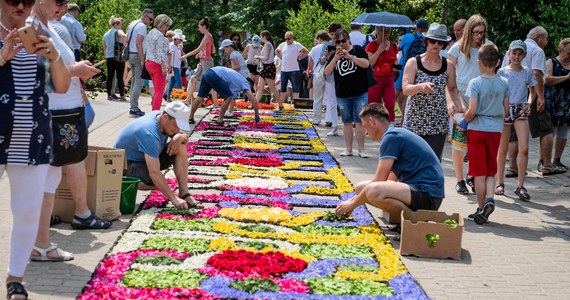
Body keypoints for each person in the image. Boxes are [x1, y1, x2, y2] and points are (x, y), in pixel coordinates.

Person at [0, 0, 70, 297]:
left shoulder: (41, 33)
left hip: (33, 137)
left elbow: (62, 86)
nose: (20, 5)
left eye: (27, 0)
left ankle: (15, 278)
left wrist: (54, 58)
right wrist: (2, 57)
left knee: (28, 212)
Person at [33, 0, 108, 264]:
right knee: (43, 180)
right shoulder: (34, 28)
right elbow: (36, 76)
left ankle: (41, 241)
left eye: (66, 3)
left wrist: (76, 72)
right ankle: (39, 243)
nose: (63, 8)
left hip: (63, 114)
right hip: (52, 116)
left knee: (49, 180)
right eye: (59, 2)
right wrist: (75, 70)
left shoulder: (48, 27)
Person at [335, 103, 444, 220]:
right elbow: (389, 181)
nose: (366, 133)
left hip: (427, 195)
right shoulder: (394, 134)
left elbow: (379, 180)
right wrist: (352, 201)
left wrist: (352, 204)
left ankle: (414, 221)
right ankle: (407, 219)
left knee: (373, 191)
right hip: (422, 193)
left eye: (365, 127)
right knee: (360, 188)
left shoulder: (391, 137)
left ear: (372, 122)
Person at [115, 102, 202, 210]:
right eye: (176, 126)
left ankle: (184, 193)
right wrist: (173, 199)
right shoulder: (148, 133)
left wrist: (180, 137)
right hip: (126, 165)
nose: (176, 130)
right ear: (165, 116)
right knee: (156, 181)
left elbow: (184, 136)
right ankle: (125, 183)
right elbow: (154, 172)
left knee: (180, 146)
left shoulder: (162, 118)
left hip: (145, 158)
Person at [502, 27, 565, 176]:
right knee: (546, 128)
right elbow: (536, 73)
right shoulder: (537, 51)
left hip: (511, 98)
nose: (546, 42)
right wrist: (540, 97)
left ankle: (512, 167)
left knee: (513, 133)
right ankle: (547, 166)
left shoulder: (511, 49)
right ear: (539, 36)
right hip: (529, 96)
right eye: (545, 38)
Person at [460, 44, 509, 225]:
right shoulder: (504, 83)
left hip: (477, 129)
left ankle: (481, 208)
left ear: (479, 63)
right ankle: (490, 198)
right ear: (497, 62)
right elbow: (505, 109)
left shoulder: (476, 83)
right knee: (490, 169)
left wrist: (464, 122)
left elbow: (472, 110)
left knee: (478, 171)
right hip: (495, 130)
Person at [402, 23, 461, 160]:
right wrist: (420, 87)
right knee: (411, 161)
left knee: (433, 162)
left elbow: (452, 88)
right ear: (427, 41)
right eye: (433, 41)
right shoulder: (414, 62)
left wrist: (459, 107)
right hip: (414, 121)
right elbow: (405, 89)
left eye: (440, 42)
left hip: (438, 122)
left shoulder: (448, 65)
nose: (436, 45)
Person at [448, 14, 492, 195]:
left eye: (482, 33)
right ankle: (459, 180)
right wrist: (452, 101)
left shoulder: (488, 47)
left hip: (481, 98)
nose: (478, 36)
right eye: (475, 32)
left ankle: (473, 176)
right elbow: (449, 80)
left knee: (477, 141)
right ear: (468, 31)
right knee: (459, 141)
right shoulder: (457, 48)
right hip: (460, 97)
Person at [495, 40, 537, 201]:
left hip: (520, 109)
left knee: (524, 147)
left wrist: (529, 103)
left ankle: (520, 185)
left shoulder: (527, 72)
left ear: (524, 55)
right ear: (509, 53)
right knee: (502, 149)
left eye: (520, 54)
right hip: (506, 108)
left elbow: (532, 91)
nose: (517, 56)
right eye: (514, 53)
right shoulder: (502, 72)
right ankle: (500, 183)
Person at [324, 29, 370, 158]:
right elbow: (326, 72)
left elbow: (366, 64)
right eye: (338, 42)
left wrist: (350, 57)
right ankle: (348, 149)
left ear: (348, 39)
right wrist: (335, 59)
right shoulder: (334, 55)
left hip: (360, 92)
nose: (341, 44)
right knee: (346, 122)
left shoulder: (357, 50)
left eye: (343, 41)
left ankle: (361, 150)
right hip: (342, 94)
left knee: (360, 121)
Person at [188, 66, 260, 125]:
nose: (248, 90)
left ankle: (190, 117)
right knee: (228, 97)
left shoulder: (237, 80)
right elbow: (254, 101)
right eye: (250, 88)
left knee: (200, 97)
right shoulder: (245, 83)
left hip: (208, 72)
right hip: (215, 74)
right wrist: (256, 115)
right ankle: (220, 120)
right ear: (249, 84)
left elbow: (231, 93)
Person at [395, 19, 428, 123]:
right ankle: (406, 120)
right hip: (420, 70)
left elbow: (398, 48)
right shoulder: (427, 39)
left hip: (404, 68)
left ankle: (396, 118)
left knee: (396, 94)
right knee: (408, 96)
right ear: (426, 28)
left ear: (416, 27)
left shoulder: (408, 37)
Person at [544, 38, 570, 170]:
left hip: (566, 104)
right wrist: (566, 77)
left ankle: (557, 159)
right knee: (549, 132)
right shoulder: (551, 62)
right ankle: (544, 161)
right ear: (560, 50)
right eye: (568, 52)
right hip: (551, 102)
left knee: (563, 132)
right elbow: (547, 79)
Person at [182, 17, 216, 107]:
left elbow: (198, 49)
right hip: (203, 61)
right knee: (193, 79)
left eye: (199, 27)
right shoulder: (207, 36)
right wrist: (201, 54)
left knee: (209, 82)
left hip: (207, 62)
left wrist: (185, 55)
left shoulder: (208, 36)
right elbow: (210, 50)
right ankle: (188, 100)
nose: (199, 29)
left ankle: (216, 103)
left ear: (204, 26)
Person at [126, 8, 154, 117]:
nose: (150, 22)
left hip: (131, 54)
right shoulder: (142, 26)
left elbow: (127, 38)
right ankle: (134, 108)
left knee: (134, 81)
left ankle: (132, 106)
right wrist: (142, 59)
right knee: (139, 82)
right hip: (137, 56)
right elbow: (139, 43)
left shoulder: (133, 23)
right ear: (145, 16)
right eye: (150, 19)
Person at [366, 25, 398, 121]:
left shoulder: (393, 46)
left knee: (390, 103)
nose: (386, 32)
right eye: (383, 30)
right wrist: (379, 50)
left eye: (388, 30)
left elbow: (395, 61)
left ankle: (389, 125)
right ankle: (372, 124)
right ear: (377, 31)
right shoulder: (371, 45)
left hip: (389, 79)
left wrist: (396, 67)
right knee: (373, 105)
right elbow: (369, 63)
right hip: (375, 79)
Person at [145, 14, 172, 111]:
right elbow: (161, 52)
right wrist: (164, 66)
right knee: (159, 91)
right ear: (161, 24)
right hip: (158, 65)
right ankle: (155, 113)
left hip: (149, 63)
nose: (167, 27)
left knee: (156, 91)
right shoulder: (160, 36)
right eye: (167, 25)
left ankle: (154, 110)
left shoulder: (151, 32)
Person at [275, 31, 309, 109]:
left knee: (295, 87)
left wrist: (300, 58)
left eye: (289, 38)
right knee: (283, 87)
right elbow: (276, 50)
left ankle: (295, 103)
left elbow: (306, 51)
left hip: (294, 69)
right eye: (286, 39)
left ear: (292, 38)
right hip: (284, 69)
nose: (287, 40)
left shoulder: (296, 44)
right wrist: (281, 57)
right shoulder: (282, 45)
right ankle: (282, 104)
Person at [103, 16, 127, 101]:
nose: (122, 26)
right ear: (116, 24)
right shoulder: (118, 31)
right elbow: (124, 36)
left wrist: (107, 55)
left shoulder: (106, 34)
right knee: (120, 76)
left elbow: (104, 47)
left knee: (110, 76)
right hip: (118, 57)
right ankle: (122, 95)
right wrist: (125, 41)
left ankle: (109, 94)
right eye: (121, 24)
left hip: (109, 57)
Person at [308, 30, 329, 125]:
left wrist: (310, 71)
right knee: (330, 98)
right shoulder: (330, 47)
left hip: (318, 74)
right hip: (329, 73)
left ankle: (317, 119)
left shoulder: (314, 49)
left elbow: (310, 63)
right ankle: (329, 119)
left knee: (317, 98)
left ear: (319, 38)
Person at [253, 31, 280, 107]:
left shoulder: (268, 45)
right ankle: (254, 104)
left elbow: (266, 58)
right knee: (259, 87)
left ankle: (280, 105)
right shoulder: (266, 44)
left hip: (269, 67)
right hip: (265, 67)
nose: (260, 38)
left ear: (264, 37)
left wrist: (257, 57)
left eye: (261, 37)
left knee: (272, 88)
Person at [166, 34, 184, 102]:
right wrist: (169, 65)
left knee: (173, 81)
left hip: (177, 65)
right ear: (176, 39)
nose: (181, 41)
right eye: (180, 40)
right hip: (174, 66)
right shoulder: (171, 45)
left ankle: (169, 97)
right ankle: (180, 97)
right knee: (179, 81)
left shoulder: (178, 46)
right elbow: (169, 55)